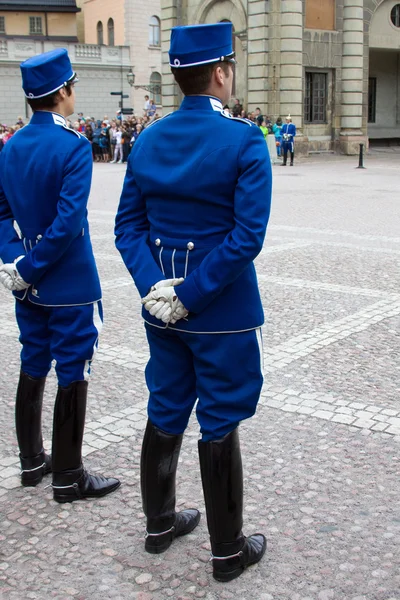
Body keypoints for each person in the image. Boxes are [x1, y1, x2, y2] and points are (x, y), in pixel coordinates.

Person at [115, 22, 272, 582]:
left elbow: (127, 228)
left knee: (166, 405)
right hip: (220, 312)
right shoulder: (245, 139)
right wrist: (194, 294)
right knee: (221, 419)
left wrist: (156, 287)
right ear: (222, 71)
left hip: (162, 310)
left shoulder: (150, 136)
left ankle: (160, 525)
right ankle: (227, 553)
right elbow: (246, 237)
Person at [0, 48, 120, 503]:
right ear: (62, 92)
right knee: (73, 371)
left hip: (26, 284)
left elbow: (0, 214)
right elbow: (69, 224)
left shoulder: (10, 147)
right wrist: (31, 266)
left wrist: (17, 262)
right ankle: (69, 477)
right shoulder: (72, 146)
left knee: (32, 363)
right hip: (68, 282)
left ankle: (32, 463)